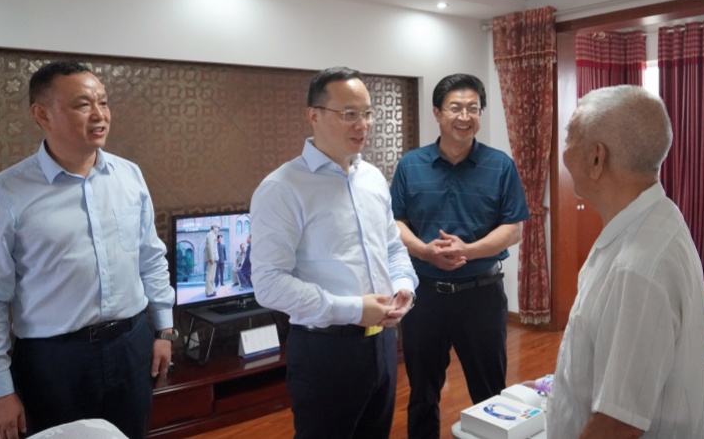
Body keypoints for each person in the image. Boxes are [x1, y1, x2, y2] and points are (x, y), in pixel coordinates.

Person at [0, 60, 176, 439]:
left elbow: (150, 257)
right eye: (83, 105)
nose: (100, 114)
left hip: (132, 345)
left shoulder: (129, 176)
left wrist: (165, 329)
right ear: (41, 114)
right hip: (54, 361)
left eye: (103, 102)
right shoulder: (2, 195)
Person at [251, 66, 418, 439]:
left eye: (368, 113)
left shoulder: (373, 177)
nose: (363, 124)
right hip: (324, 350)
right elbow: (268, 283)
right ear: (314, 115)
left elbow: (392, 247)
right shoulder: (282, 188)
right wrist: (354, 309)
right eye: (349, 114)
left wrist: (404, 286)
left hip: (383, 342)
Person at [547, 85, 704, 438]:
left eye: (569, 136)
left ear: (596, 159)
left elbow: (618, 424)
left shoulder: (637, 269)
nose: (563, 149)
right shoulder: (656, 217)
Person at [390, 73, 529, 439]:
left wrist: (467, 250)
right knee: (422, 393)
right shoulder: (410, 165)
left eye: (472, 108)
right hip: (424, 296)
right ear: (437, 112)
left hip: (481, 294)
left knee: (490, 392)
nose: (464, 116)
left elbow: (512, 228)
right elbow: (395, 222)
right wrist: (424, 251)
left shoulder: (500, 165)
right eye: (455, 108)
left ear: (480, 113)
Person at [204, 224, 219, 297]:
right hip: (211, 259)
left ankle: (210, 291)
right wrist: (212, 258)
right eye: (217, 227)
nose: (218, 229)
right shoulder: (211, 235)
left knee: (212, 276)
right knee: (210, 276)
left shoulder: (212, 235)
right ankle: (209, 292)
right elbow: (210, 247)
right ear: (213, 227)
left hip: (213, 259)